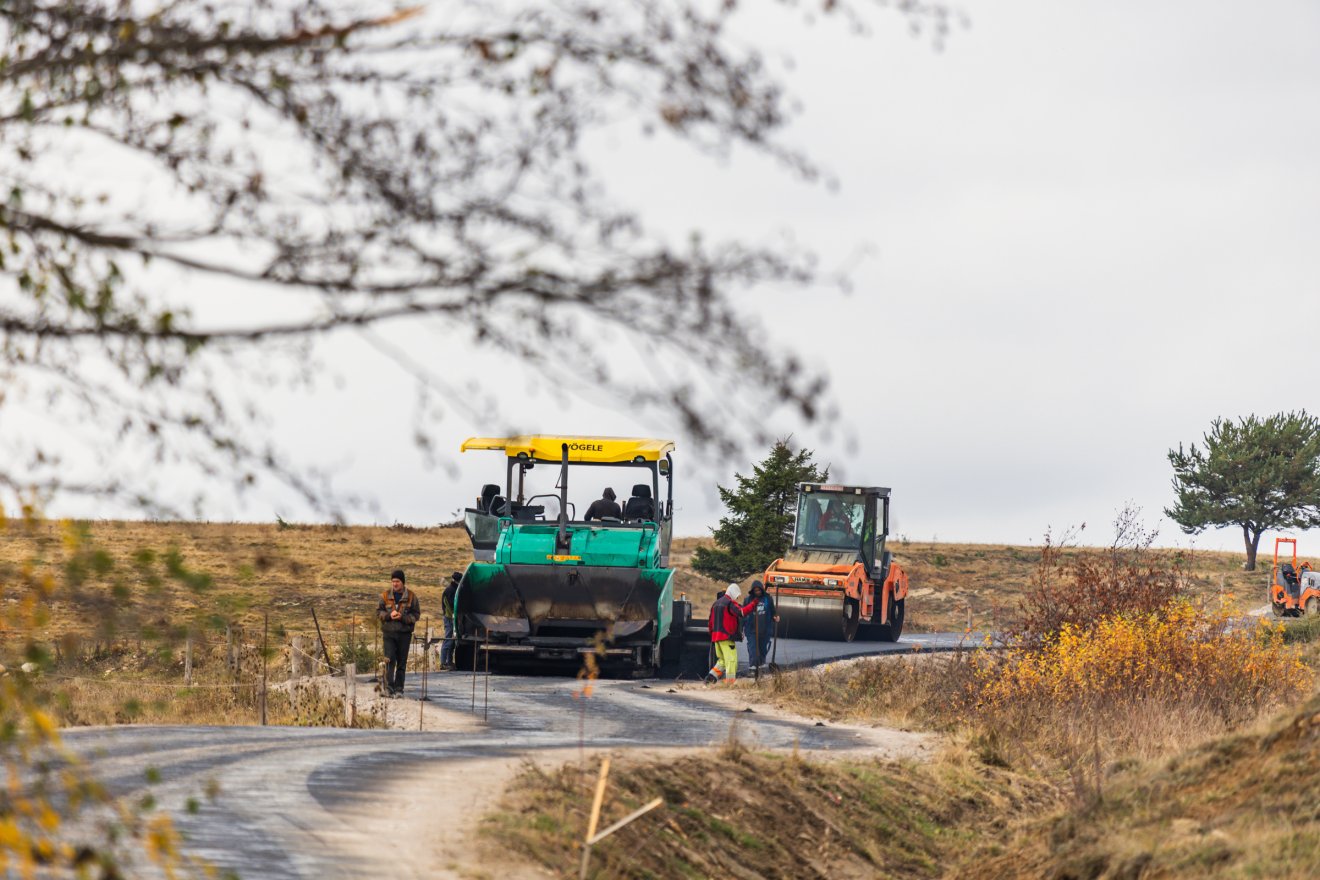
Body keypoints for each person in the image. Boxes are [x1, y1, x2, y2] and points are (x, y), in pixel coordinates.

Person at [377, 569, 420, 696]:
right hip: (389, 634)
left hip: (404, 634)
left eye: (397, 581)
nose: (395, 584)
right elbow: (378, 612)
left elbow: (416, 614)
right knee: (389, 661)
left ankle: (399, 689)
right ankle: (389, 688)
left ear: (403, 582)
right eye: (393, 581)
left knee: (402, 662)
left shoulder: (412, 597)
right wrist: (389, 615)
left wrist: (403, 618)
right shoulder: (384, 596)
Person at [705, 583, 745, 684]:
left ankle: (710, 678)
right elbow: (739, 614)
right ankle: (730, 682)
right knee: (731, 660)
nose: (736, 598)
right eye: (736, 596)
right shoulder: (730, 604)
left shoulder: (716, 604)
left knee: (722, 661)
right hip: (727, 638)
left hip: (716, 638)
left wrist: (712, 634)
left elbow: (710, 622)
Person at [740, 580, 778, 669]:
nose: (758, 592)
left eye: (759, 590)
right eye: (756, 590)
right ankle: (753, 667)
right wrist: (741, 629)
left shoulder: (768, 599)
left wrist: (776, 617)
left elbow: (773, 612)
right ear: (753, 591)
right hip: (751, 630)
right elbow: (742, 615)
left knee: (762, 649)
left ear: (762, 589)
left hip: (765, 629)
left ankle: (761, 665)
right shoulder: (748, 600)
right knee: (753, 649)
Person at [440, 570, 461, 670]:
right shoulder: (451, 591)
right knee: (448, 639)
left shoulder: (452, 589)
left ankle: (448, 661)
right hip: (449, 618)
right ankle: (443, 662)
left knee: (452, 640)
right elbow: (451, 606)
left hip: (450, 617)